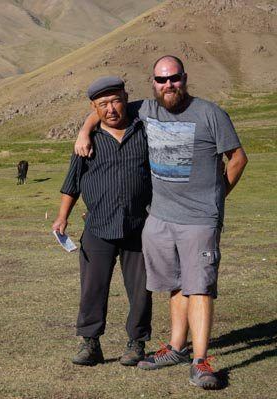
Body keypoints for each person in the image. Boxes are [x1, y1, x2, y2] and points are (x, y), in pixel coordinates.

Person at [74, 55, 248, 389]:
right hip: (161, 218)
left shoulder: (211, 113)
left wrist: (218, 195)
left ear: (185, 78)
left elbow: (238, 159)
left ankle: (201, 361)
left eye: (174, 78)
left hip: (199, 219)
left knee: (200, 286)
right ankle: (176, 348)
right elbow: (106, 107)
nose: (169, 85)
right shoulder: (146, 109)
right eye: (161, 80)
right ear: (153, 83)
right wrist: (84, 131)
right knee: (176, 284)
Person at [52, 76, 153, 367]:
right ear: (94, 108)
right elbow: (71, 183)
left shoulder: (144, 132)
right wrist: (62, 217)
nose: (111, 109)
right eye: (103, 104)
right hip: (98, 226)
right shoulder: (88, 142)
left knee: (140, 288)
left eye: (116, 101)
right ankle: (90, 343)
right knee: (93, 287)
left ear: (126, 99)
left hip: (139, 225)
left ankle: (136, 343)